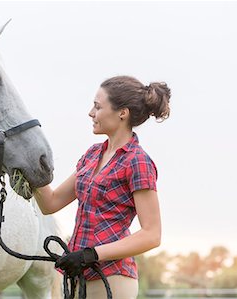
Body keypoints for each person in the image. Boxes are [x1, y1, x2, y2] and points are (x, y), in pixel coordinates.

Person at [35, 75, 171, 298]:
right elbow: (50, 203)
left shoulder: (137, 161)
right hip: (78, 273)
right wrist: (29, 168)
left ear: (122, 113)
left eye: (98, 107)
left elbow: (152, 234)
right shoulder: (92, 155)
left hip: (111, 277)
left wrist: (91, 255)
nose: (91, 113)